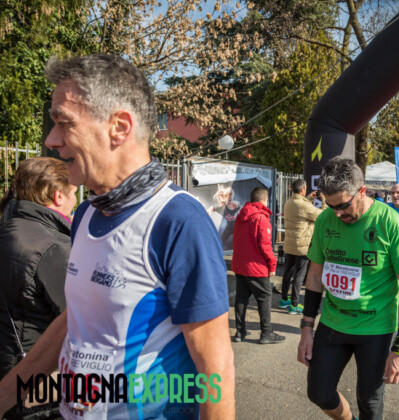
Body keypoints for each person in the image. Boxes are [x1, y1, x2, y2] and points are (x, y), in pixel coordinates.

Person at [0, 54, 235, 419]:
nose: (51, 139)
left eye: (64, 123)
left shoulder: (178, 221)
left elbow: (215, 367)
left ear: (119, 127)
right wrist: (4, 397)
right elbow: (75, 321)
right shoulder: (85, 213)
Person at [297, 157, 399, 420]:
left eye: (343, 206)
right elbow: (315, 275)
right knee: (319, 393)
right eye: (331, 206)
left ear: (362, 191)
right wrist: (306, 328)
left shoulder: (390, 222)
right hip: (333, 323)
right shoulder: (325, 220)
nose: (337, 214)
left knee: (369, 402)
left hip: (376, 327)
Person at [0, 158, 76, 419]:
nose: (75, 201)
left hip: (9, 375)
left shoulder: (8, 230)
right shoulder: (53, 247)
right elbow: (77, 322)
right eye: (74, 193)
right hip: (37, 388)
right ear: (58, 196)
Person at [232, 187, 286, 345]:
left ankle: (240, 331)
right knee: (264, 298)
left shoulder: (240, 216)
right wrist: (272, 264)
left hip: (240, 265)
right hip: (256, 267)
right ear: (263, 201)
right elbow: (265, 246)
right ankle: (266, 332)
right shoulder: (261, 219)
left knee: (241, 298)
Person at [280, 179, 322, 314]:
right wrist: (325, 201)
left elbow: (301, 211)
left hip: (290, 244)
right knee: (299, 275)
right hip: (302, 245)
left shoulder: (289, 202)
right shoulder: (303, 205)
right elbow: (321, 216)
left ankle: (284, 299)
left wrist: (308, 198)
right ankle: (294, 304)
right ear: (303, 189)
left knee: (288, 272)